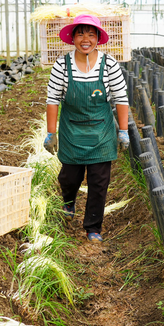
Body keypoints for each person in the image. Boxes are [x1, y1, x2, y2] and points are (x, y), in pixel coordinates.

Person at [44, 15, 130, 243]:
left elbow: (121, 99)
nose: (85, 39)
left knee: (99, 181)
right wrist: (51, 133)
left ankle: (93, 227)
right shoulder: (61, 65)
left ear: (98, 39)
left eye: (91, 34)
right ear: (72, 38)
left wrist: (123, 130)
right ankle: (69, 201)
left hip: (101, 132)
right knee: (70, 177)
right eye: (80, 33)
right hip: (72, 131)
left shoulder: (109, 64)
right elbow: (52, 100)